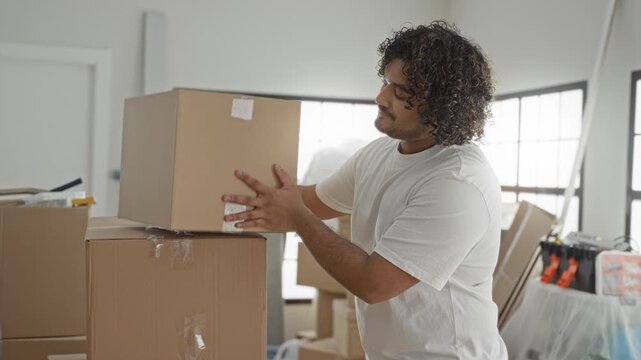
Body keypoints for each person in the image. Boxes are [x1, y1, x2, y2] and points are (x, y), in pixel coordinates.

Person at [222, 20, 508, 360]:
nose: (380, 97)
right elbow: (309, 202)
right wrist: (206, 191)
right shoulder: (378, 155)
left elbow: (374, 283)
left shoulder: (458, 183)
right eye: (386, 82)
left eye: (399, 91)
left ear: (441, 106)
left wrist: (297, 218)